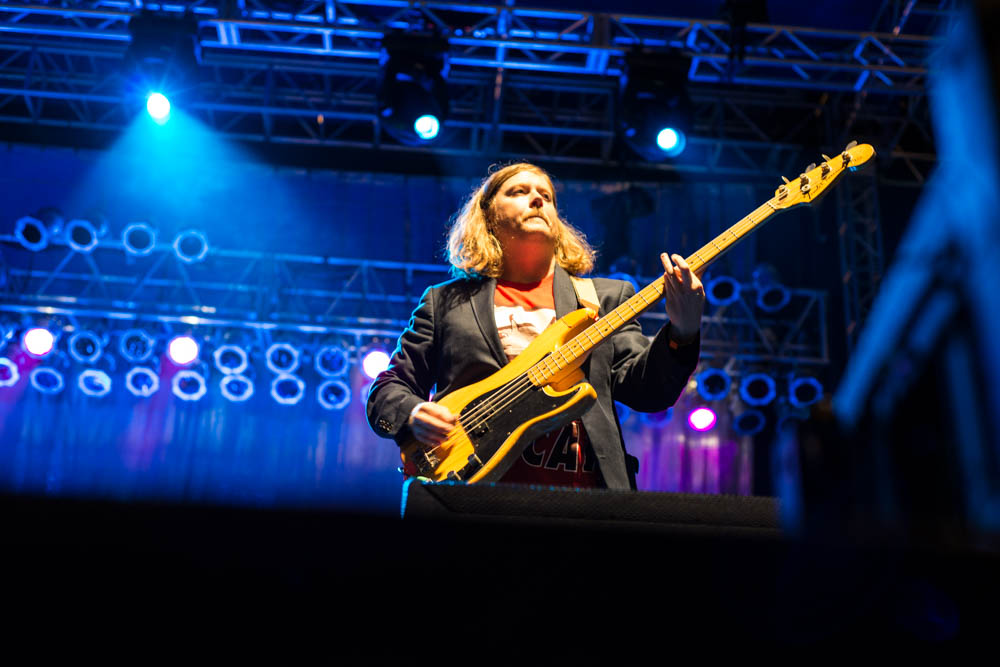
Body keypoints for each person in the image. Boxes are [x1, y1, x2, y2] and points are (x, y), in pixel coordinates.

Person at [366, 163, 704, 490]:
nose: (538, 199)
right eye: (519, 191)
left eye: (547, 196)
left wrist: (683, 330)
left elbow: (649, 392)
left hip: (581, 501)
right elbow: (388, 389)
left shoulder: (603, 299)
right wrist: (412, 413)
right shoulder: (445, 302)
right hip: (469, 495)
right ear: (488, 215)